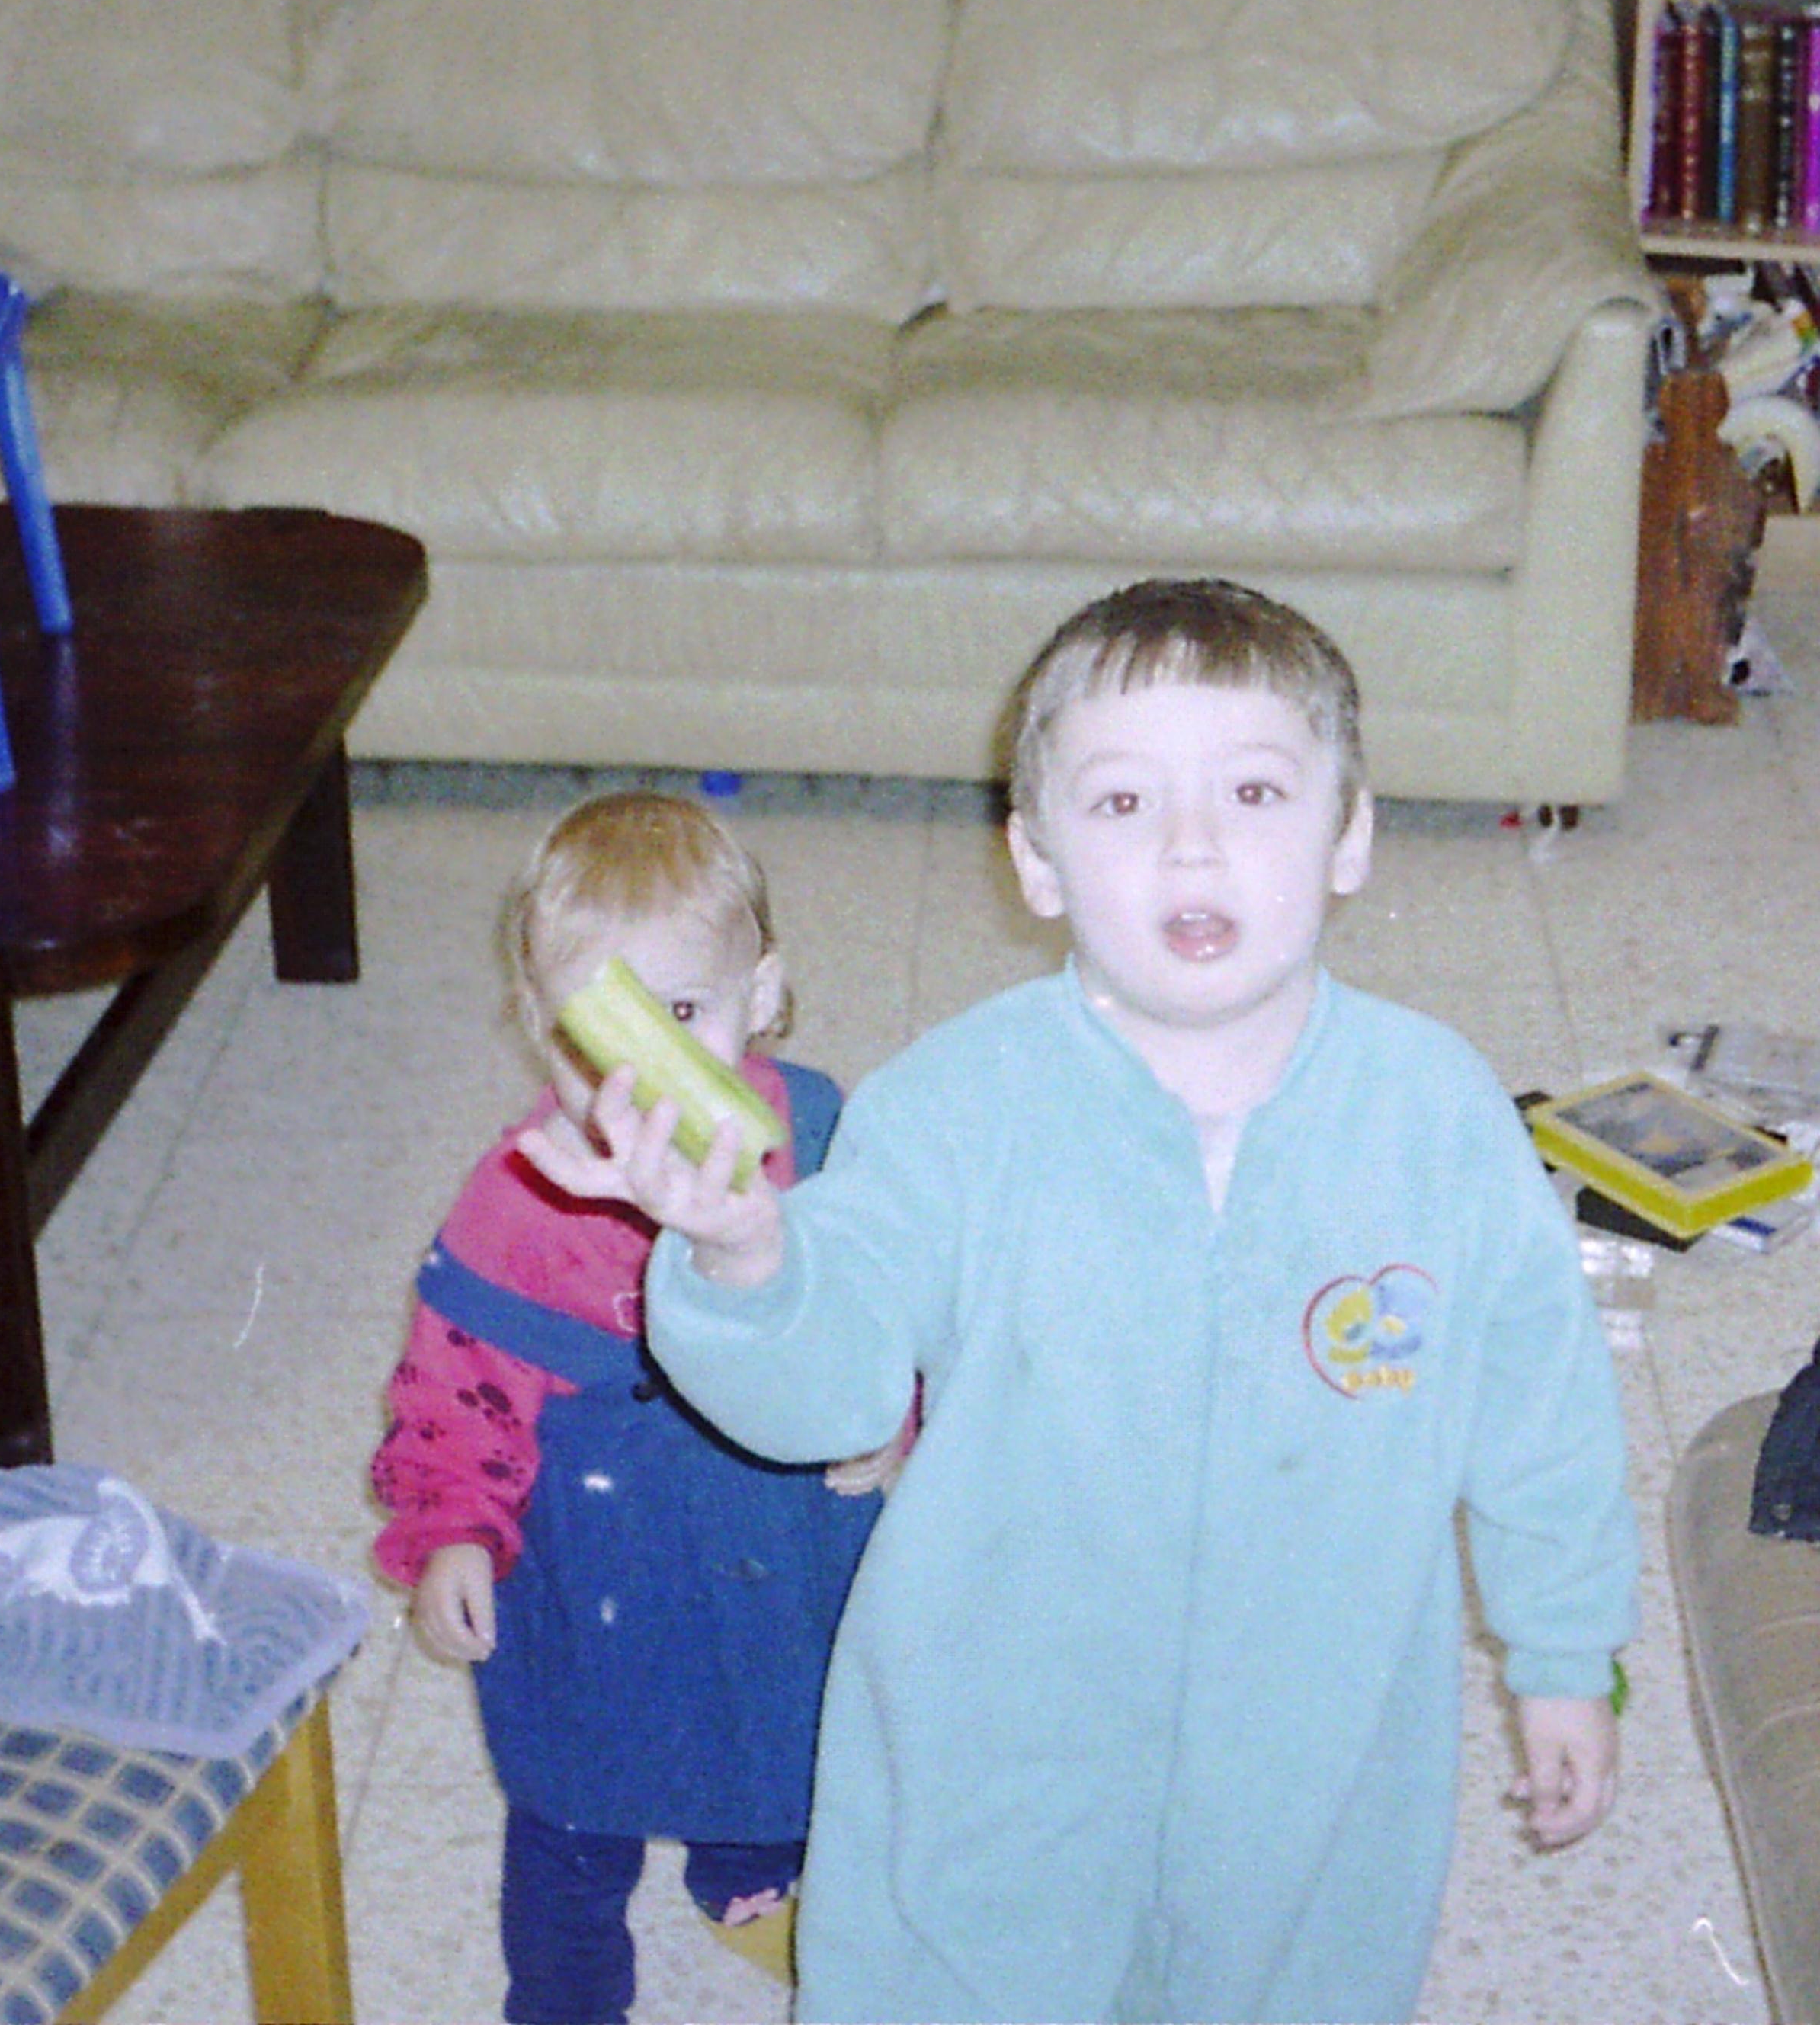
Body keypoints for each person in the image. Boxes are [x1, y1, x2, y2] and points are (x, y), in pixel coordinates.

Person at [520, 578, 1640, 2025]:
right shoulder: (952, 1105)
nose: (1192, 844)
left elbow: (1542, 1411)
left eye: (1253, 791)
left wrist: (1565, 1658)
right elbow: (826, 1396)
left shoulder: (1437, 1115)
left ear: (1351, 835)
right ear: (1035, 863)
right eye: (1122, 803)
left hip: (1315, 1771)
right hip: (993, 1758)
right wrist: (744, 1257)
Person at [371, 790, 896, 2025]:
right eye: (589, 1031)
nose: (632, 1076)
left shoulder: (823, 1138)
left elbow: (896, 1302)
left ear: (762, 996)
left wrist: (895, 1420)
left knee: (798, 1740)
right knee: (572, 1812)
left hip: (784, 1547)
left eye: (681, 1015)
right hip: (599, 1579)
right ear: (530, 1020)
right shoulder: (517, 1206)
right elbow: (454, 1391)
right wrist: (454, 1530)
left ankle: (749, 1864)